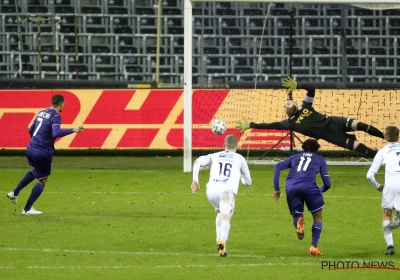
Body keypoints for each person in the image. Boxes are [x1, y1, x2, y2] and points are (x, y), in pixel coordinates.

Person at [236, 77, 384, 158]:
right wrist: (252, 124)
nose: (287, 105)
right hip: (331, 135)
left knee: (361, 125)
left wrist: (299, 85)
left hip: (333, 121)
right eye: (285, 105)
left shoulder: (305, 106)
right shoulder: (289, 123)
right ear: (286, 111)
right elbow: (270, 125)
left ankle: (386, 137)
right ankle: (385, 158)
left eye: (289, 102)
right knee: (359, 147)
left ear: (294, 102)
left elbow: (312, 89)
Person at [6, 94, 84, 215]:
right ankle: (27, 210)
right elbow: (56, 133)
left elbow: (30, 131)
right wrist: (73, 129)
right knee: (43, 179)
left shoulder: (41, 112)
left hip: (30, 148)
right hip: (42, 151)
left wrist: (36, 142)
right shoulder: (56, 116)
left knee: (36, 170)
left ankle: (14, 193)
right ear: (60, 104)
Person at [191, 134, 252, 257]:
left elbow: (197, 161)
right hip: (226, 192)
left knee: (220, 213)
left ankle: (219, 244)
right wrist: (241, 178)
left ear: (224, 145)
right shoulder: (239, 158)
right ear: (237, 145)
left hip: (211, 191)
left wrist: (195, 180)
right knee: (226, 218)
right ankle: (222, 241)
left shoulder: (214, 155)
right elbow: (248, 182)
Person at [273, 138, 331, 256]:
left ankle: (299, 223)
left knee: (298, 215)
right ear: (316, 149)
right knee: (317, 217)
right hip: (310, 187)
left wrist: (277, 188)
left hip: (292, 187)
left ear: (303, 147)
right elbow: (328, 184)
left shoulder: (295, 157)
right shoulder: (320, 159)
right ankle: (313, 247)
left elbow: (278, 166)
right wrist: (318, 191)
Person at [366, 125, 400, 255]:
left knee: (386, 214)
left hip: (390, 185)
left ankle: (390, 247)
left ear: (385, 137)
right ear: (398, 137)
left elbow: (369, 175)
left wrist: (378, 186)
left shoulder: (383, 151)